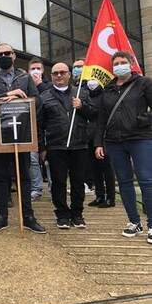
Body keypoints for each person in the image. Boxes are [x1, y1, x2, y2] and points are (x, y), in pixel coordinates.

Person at [0, 43, 45, 234]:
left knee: (24, 177)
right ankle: (1, 217)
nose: (4, 56)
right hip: (0, 136)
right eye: (0, 54)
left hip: (23, 135)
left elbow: (38, 101)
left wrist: (21, 101)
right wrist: (6, 95)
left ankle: (28, 217)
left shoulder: (25, 78)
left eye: (7, 53)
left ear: (14, 55)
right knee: (0, 177)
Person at [95, 51, 152, 244]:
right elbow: (101, 120)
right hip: (114, 142)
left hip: (140, 138)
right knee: (124, 182)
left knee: (146, 181)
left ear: (131, 64)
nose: (119, 65)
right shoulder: (108, 89)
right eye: (116, 63)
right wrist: (98, 143)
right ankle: (133, 222)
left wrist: (144, 120)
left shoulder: (144, 83)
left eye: (123, 62)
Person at [39, 62, 96, 229]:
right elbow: (40, 124)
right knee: (58, 182)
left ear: (69, 74)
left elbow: (94, 115)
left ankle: (77, 214)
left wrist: (82, 106)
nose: (59, 76)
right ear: (51, 76)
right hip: (56, 146)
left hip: (79, 145)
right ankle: (62, 214)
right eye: (55, 73)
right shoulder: (45, 96)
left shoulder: (82, 93)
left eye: (62, 72)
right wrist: (42, 147)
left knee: (78, 181)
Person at [73, 59, 117, 208]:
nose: (91, 82)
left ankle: (110, 197)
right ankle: (99, 195)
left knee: (106, 167)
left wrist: (82, 107)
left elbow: (96, 113)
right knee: (94, 168)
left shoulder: (105, 93)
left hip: (102, 136)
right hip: (88, 136)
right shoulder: (83, 92)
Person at [28, 57, 52, 202]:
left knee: (48, 160)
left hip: (47, 129)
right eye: (33, 68)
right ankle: (36, 188)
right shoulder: (24, 84)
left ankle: (53, 187)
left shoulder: (49, 85)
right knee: (32, 160)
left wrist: (40, 85)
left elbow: (49, 101)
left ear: (43, 70)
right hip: (31, 128)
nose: (35, 71)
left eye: (38, 68)